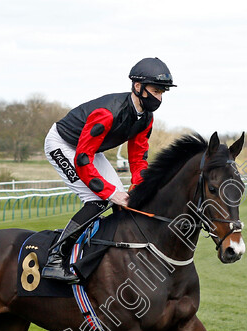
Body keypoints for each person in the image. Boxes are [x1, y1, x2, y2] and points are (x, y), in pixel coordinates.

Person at [41, 57, 176, 282]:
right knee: (99, 201)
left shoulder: (146, 118)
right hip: (64, 145)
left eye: (162, 92)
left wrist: (141, 191)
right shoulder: (108, 113)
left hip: (90, 151)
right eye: (155, 91)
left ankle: (113, 259)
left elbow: (139, 160)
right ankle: (55, 258)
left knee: (123, 205)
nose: (159, 98)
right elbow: (83, 160)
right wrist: (111, 193)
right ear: (138, 87)